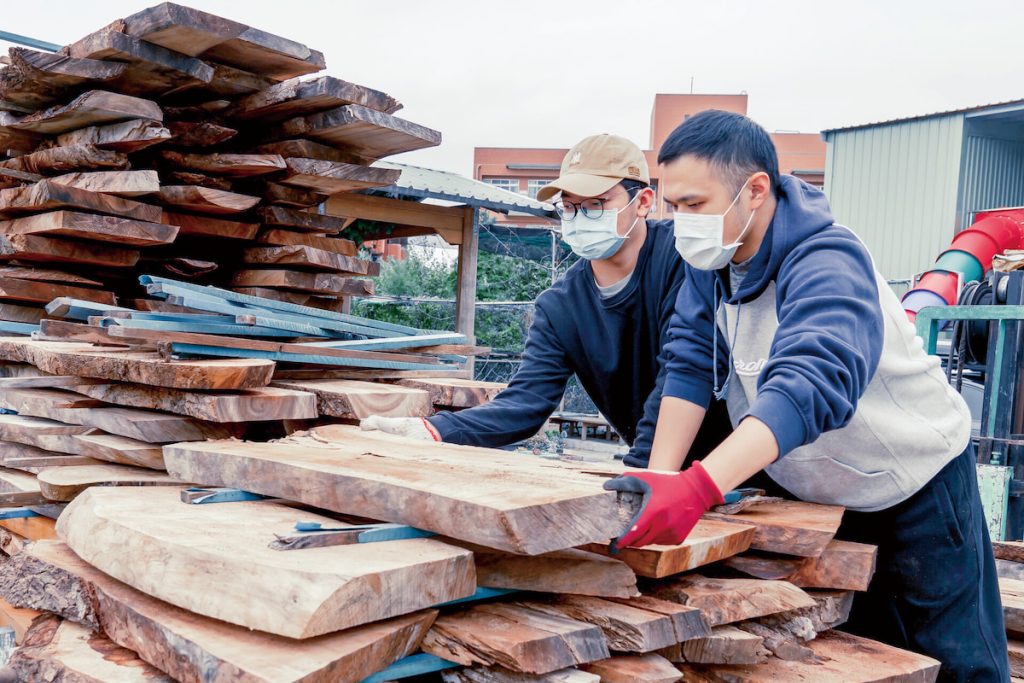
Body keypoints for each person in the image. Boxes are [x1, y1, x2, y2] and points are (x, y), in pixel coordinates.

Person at [603, 110, 1008, 681]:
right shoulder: (711, 261)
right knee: (859, 653)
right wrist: (663, 477)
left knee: (957, 659)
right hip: (820, 490)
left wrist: (699, 488)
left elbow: (809, 384)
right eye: (673, 206)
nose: (681, 221)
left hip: (912, 481)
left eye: (694, 205)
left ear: (756, 189)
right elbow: (689, 364)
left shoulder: (827, 259)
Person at [361, 133, 730, 467]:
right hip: (659, 469)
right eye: (570, 208)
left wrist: (642, 469)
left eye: (597, 204)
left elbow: (681, 373)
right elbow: (525, 404)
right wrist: (435, 430)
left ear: (643, 201)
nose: (581, 218)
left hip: (736, 464)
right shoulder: (561, 307)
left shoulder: (684, 263)